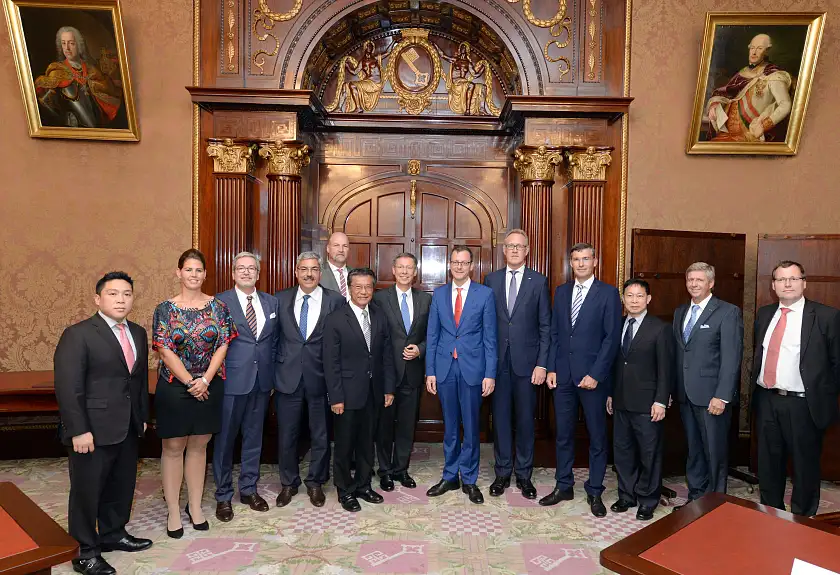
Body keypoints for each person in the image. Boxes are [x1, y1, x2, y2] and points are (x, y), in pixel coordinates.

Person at [54, 271, 152, 575]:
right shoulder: (79, 333)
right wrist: (78, 429)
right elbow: (68, 387)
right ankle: (84, 551)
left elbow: (137, 380)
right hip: (91, 429)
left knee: (121, 486)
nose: (121, 299)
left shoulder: (137, 332)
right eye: (113, 294)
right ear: (98, 298)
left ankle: (113, 534)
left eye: (126, 294)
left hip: (128, 426)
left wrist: (142, 416)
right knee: (86, 492)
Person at [152, 249, 237, 537]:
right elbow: (164, 349)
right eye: (188, 269)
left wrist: (206, 380)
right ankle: (174, 510)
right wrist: (191, 381)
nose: (194, 275)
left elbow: (223, 345)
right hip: (175, 387)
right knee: (173, 448)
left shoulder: (219, 307)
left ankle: (196, 506)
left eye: (199, 270)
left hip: (210, 385)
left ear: (205, 274)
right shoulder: (164, 309)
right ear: (179, 273)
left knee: (200, 446)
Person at [751, 260, 840, 517]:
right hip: (767, 400)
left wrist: (821, 395)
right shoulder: (765, 314)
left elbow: (837, 365)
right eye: (781, 279)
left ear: (804, 282)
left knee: (804, 467)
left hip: (804, 404)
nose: (787, 284)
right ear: (773, 285)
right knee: (768, 465)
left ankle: (803, 521)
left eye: (792, 279)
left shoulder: (826, 316)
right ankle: (770, 515)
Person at [541, 242, 621, 517]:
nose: (581, 264)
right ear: (570, 263)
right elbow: (554, 334)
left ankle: (595, 490)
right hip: (563, 377)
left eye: (586, 259)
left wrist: (596, 374)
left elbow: (612, 339)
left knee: (597, 437)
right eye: (576, 259)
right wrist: (551, 368)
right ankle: (564, 485)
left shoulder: (609, 294)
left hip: (593, 379)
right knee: (563, 435)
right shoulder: (561, 293)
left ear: (594, 261)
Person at [425, 246, 497, 504]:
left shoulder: (485, 294)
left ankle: (469, 478)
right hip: (445, 367)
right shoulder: (440, 293)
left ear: (471, 266)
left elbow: (490, 337)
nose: (458, 266)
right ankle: (449, 475)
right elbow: (432, 335)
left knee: (471, 426)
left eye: (463, 263)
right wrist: (430, 371)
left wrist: (490, 373)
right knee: (451, 427)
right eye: (455, 262)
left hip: (473, 369)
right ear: (449, 265)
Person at [274, 251, 345, 507]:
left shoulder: (334, 300)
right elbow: (273, 339)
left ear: (320, 272)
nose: (309, 274)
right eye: (304, 269)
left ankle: (316, 482)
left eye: (314, 269)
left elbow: (339, 342)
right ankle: (288, 483)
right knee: (287, 435)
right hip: (287, 377)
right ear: (296, 271)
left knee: (321, 435)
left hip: (321, 378)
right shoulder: (280, 299)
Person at [483, 229, 550, 499]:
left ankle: (523, 475)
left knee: (524, 421)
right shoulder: (491, 279)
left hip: (528, 365)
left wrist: (542, 364)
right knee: (499, 420)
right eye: (509, 246)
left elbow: (545, 326)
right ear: (503, 250)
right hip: (497, 365)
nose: (514, 250)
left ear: (527, 250)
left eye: (519, 246)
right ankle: (502, 473)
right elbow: (485, 324)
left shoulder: (539, 281)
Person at [212, 252, 278, 522]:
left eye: (252, 268)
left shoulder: (270, 302)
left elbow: (272, 343)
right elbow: (214, 343)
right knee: (225, 441)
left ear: (259, 274)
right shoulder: (219, 302)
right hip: (231, 382)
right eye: (241, 268)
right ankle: (223, 495)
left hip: (261, 383)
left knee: (254, 439)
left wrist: (271, 376)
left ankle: (249, 489)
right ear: (233, 273)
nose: (247, 272)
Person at [324, 268, 396, 512]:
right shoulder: (335, 318)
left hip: (373, 392)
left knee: (367, 442)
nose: (364, 292)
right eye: (358, 287)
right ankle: (345, 490)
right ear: (349, 288)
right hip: (345, 394)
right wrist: (335, 397)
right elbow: (330, 362)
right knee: (344, 445)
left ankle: (364, 485)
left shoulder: (379, 315)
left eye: (368, 287)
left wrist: (388, 388)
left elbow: (385, 354)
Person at [672, 262, 743, 508]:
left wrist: (722, 396)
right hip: (685, 395)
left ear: (711, 283)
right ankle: (696, 499)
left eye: (699, 280)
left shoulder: (727, 311)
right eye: (690, 279)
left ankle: (715, 504)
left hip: (712, 397)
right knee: (694, 451)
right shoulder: (680, 312)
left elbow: (732, 358)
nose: (694, 284)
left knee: (714, 453)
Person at [607, 279, 673, 521]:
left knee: (649, 454)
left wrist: (661, 400)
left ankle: (647, 499)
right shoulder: (619, 324)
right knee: (623, 452)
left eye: (639, 296)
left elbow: (666, 369)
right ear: (623, 299)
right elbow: (616, 364)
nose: (634, 300)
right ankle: (626, 495)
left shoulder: (660, 328)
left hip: (648, 403)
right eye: (629, 296)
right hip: (622, 400)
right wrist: (612, 394)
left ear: (648, 299)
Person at [372, 252, 432, 491]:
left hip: (413, 372)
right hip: (387, 373)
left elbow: (432, 335)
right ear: (393, 271)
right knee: (384, 425)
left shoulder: (426, 300)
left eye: (410, 268)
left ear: (415, 272)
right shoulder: (379, 299)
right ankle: (385, 470)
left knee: (407, 425)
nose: (405, 272)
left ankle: (401, 469)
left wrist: (420, 349)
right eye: (401, 267)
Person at [705, 34, 792, 143]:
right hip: (727, 133)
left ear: (767, 51)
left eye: (760, 48)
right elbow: (726, 92)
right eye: (752, 48)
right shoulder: (743, 72)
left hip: (749, 136)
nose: (754, 52)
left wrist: (764, 126)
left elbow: (785, 104)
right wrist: (715, 104)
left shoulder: (774, 76)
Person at [34, 26, 123, 128]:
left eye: (71, 43)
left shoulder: (92, 70)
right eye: (63, 43)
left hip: (97, 127)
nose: (67, 48)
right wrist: (64, 118)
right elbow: (45, 104)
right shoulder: (57, 71)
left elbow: (108, 94)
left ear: (79, 45)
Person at [320, 232, 351, 300]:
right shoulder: (318, 273)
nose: (341, 250)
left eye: (345, 246)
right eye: (336, 245)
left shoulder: (356, 273)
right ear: (328, 248)